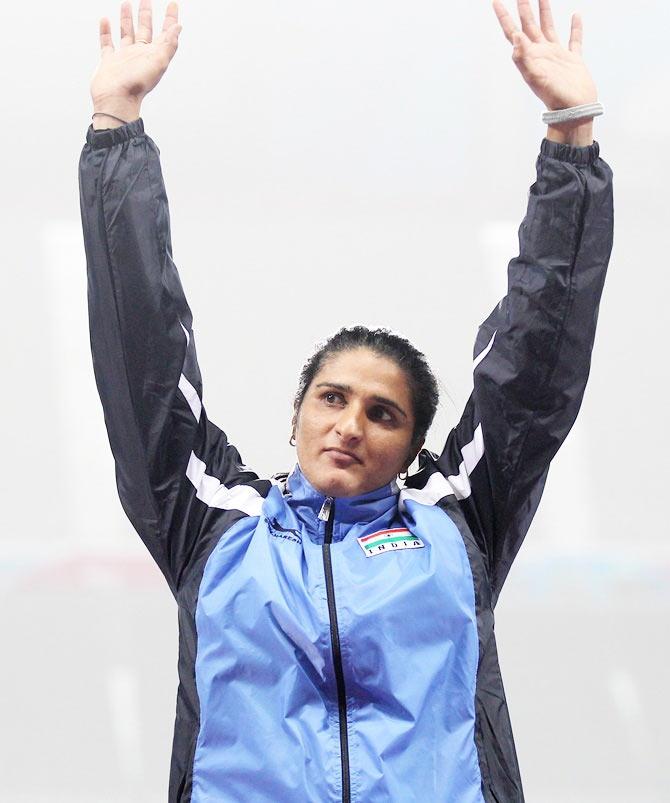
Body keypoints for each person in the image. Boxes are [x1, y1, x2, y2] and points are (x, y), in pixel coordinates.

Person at [78, 1, 614, 800]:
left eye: (382, 412)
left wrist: (571, 141)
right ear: (296, 413)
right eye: (332, 397)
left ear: (412, 446)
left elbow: (535, 371)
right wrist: (116, 127)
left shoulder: (457, 518)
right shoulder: (210, 524)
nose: (350, 423)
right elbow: (141, 356)